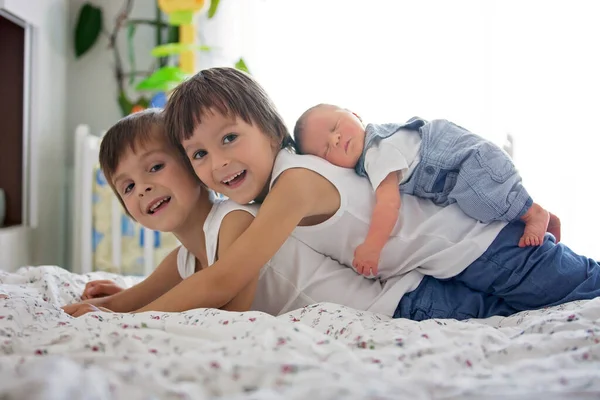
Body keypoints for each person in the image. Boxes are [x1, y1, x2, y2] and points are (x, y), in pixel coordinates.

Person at [148, 66, 600, 321]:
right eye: (199, 154)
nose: (218, 163)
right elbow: (193, 260)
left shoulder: (294, 183)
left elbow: (228, 277)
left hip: (477, 243)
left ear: (270, 130)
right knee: (525, 314)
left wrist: (126, 318)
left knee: (580, 288)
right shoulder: (269, 191)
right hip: (438, 268)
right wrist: (118, 300)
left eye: (229, 139)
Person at [64, 109, 418, 319]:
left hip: (389, 308)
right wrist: (108, 305)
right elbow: (129, 301)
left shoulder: (234, 220)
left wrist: (126, 322)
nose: (141, 188)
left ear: (193, 164)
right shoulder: (184, 260)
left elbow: (229, 309)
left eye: (155, 167)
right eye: (127, 187)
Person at [293, 104, 561, 275]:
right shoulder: (375, 152)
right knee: (487, 207)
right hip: (463, 163)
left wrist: (372, 247)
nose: (335, 138)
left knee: (484, 202)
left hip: (468, 163)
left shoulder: (378, 152)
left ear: (355, 114)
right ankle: (539, 214)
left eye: (335, 126)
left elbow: (388, 204)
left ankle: (534, 213)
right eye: (326, 149)